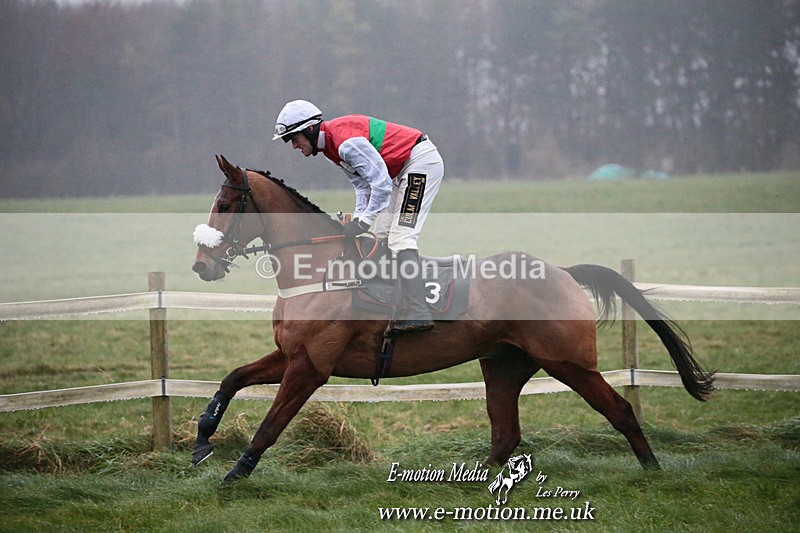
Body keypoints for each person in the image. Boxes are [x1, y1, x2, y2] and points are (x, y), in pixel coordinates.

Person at [272, 99, 444, 334]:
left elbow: (380, 185)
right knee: (381, 237)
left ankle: (419, 311)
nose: (293, 145)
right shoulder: (330, 149)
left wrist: (362, 222)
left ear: (309, 129)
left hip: (419, 163)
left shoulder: (345, 143)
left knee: (401, 237)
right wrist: (358, 221)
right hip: (399, 171)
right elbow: (363, 188)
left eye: (293, 138)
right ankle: (393, 304)